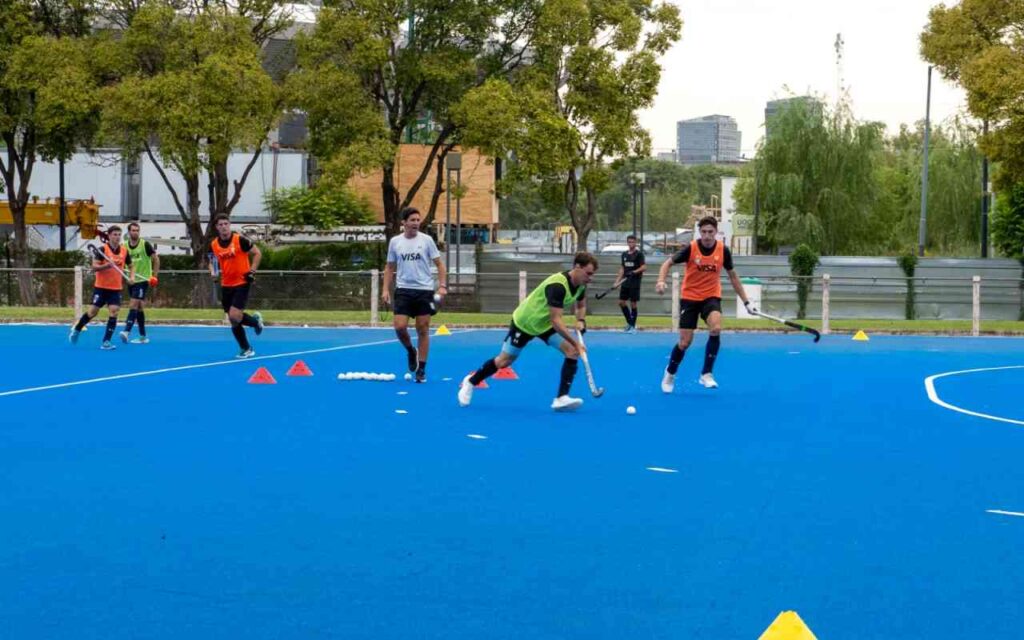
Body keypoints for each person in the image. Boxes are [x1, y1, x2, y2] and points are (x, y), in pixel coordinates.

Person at [458, 252, 598, 412]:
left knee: (571, 351)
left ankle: (561, 398)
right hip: (525, 322)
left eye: (592, 274)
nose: (590, 278)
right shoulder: (558, 286)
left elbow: (581, 305)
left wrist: (581, 320)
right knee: (504, 361)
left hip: (544, 324)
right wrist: (576, 342)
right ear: (577, 267)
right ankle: (471, 381)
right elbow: (556, 320)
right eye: (588, 273)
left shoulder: (580, 285)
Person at [655, 216, 756, 392]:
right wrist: (661, 281)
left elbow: (733, 277)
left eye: (710, 232)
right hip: (690, 297)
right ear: (699, 232)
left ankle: (706, 373)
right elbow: (667, 264)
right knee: (685, 343)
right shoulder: (691, 248)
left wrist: (746, 302)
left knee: (716, 328)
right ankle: (670, 373)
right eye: (704, 232)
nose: (707, 236)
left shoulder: (723, 250)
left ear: (716, 232)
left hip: (711, 297)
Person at [381, 206, 447, 383]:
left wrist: (442, 286)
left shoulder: (427, 240)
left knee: (423, 328)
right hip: (403, 290)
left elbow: (440, 264)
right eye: (412, 220)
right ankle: (411, 350)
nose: (416, 223)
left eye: (418, 220)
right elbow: (390, 267)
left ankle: (421, 369)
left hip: (424, 290)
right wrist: (385, 289)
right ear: (404, 222)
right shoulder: (395, 242)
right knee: (399, 327)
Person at [69, 226, 134, 350]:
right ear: (109, 236)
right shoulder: (102, 250)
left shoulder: (124, 251)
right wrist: (107, 266)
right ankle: (77, 329)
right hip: (101, 288)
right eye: (114, 234)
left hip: (115, 288)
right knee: (92, 312)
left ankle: (106, 341)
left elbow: (131, 266)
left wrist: (131, 277)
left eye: (119, 234)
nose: (117, 237)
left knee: (114, 311)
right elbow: (94, 267)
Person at [208, 214, 264, 358]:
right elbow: (212, 261)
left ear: (230, 225)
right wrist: (213, 272)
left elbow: (257, 253)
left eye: (226, 224)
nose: (224, 227)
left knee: (234, 315)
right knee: (233, 320)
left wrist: (252, 271)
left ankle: (248, 347)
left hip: (242, 282)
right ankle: (247, 343)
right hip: (226, 284)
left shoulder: (240, 240)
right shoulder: (214, 244)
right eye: (220, 225)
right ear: (216, 227)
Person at [119, 221, 160, 344]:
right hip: (131, 280)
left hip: (143, 280)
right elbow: (121, 262)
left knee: (133, 304)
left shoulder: (145, 244)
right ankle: (143, 336)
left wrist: (154, 276)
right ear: (129, 232)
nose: (135, 232)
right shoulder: (124, 246)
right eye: (133, 230)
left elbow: (156, 259)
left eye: (137, 230)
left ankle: (126, 331)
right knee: (140, 307)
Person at [615, 234, 646, 333]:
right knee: (621, 302)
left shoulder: (639, 254)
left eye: (633, 242)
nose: (631, 243)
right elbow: (622, 268)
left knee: (633, 303)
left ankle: (632, 326)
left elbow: (644, 267)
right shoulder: (624, 254)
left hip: (635, 282)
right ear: (627, 243)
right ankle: (630, 323)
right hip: (625, 282)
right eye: (629, 242)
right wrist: (617, 282)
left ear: (635, 243)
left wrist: (634, 272)